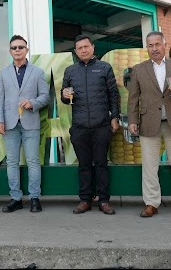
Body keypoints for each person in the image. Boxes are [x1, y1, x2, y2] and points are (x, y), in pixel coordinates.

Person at [127, 31, 171, 218]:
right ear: (147, 48)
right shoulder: (139, 69)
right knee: (150, 167)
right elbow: (133, 98)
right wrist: (133, 121)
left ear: (164, 45)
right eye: (150, 45)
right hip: (148, 123)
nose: (154, 48)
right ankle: (151, 203)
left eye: (157, 44)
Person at [61, 34, 121, 215]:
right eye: (80, 48)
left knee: (101, 163)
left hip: (101, 124)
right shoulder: (70, 71)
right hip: (79, 126)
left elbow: (114, 95)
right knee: (84, 165)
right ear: (75, 52)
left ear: (93, 48)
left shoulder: (104, 68)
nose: (83, 50)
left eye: (86, 47)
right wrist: (64, 96)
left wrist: (115, 117)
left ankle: (104, 201)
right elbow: (64, 99)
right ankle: (85, 200)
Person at [0, 35, 51, 213]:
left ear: (27, 50)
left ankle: (35, 198)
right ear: (10, 51)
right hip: (10, 124)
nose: (17, 50)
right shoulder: (4, 73)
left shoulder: (37, 72)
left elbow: (46, 96)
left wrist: (33, 103)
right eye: (14, 48)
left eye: (21, 47)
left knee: (33, 161)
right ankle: (16, 198)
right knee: (12, 162)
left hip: (30, 122)